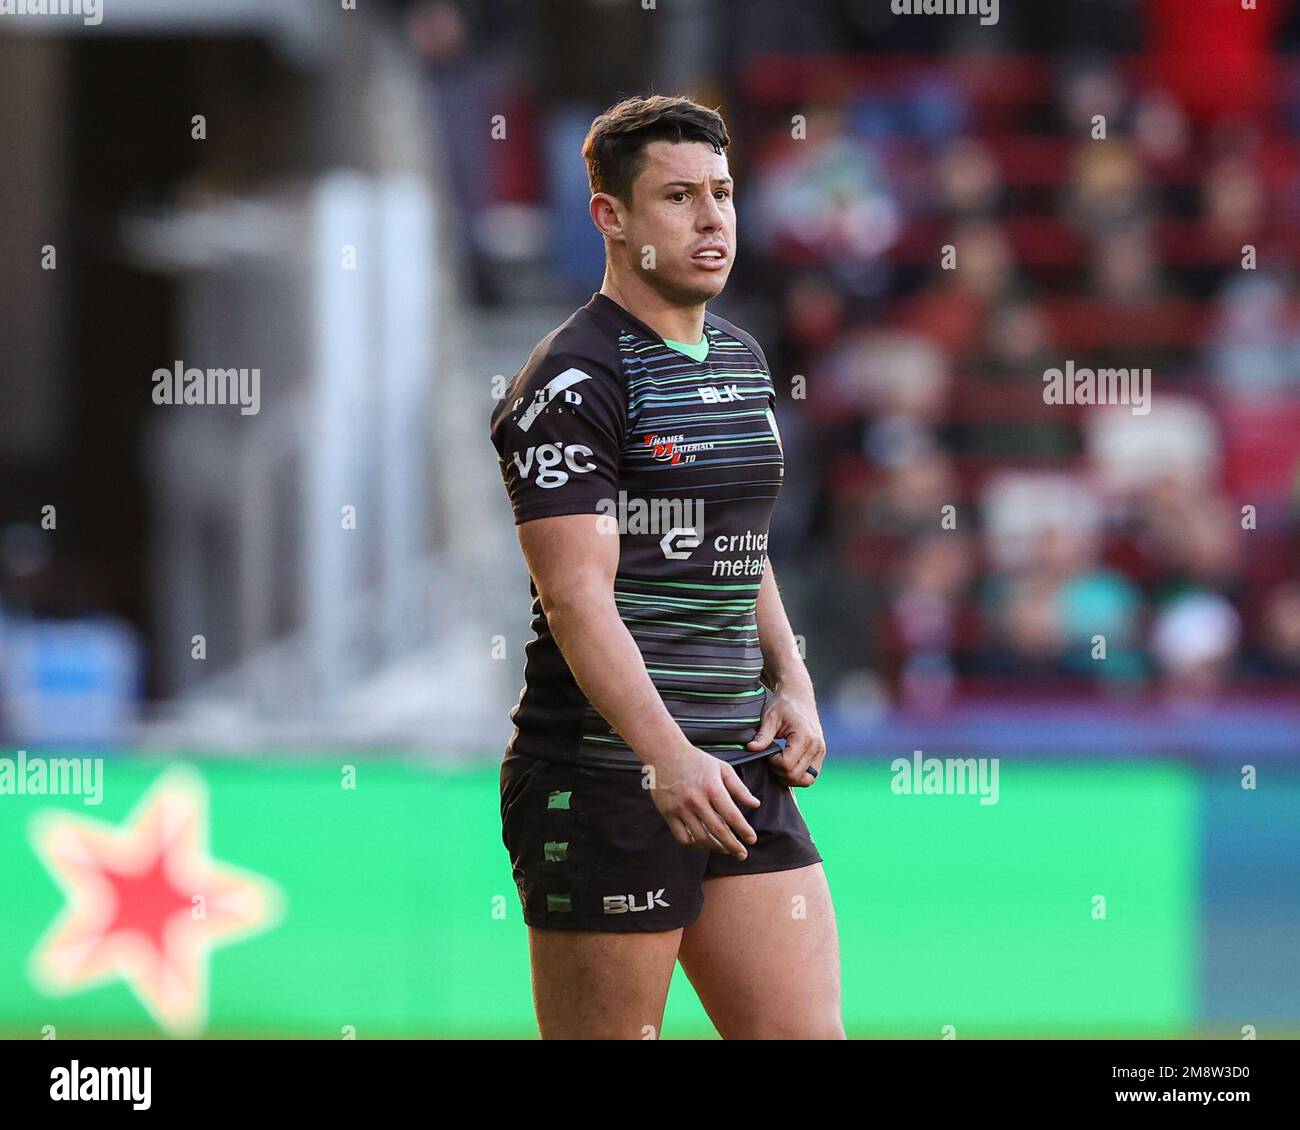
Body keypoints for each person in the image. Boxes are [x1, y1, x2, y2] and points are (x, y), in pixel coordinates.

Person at [488, 95, 842, 1039]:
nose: (713, 218)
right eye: (679, 197)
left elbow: (739, 539)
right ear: (611, 217)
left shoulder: (739, 355)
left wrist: (793, 678)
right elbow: (573, 597)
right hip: (610, 775)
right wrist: (664, 756)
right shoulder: (574, 380)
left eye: (722, 193)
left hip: (737, 767)